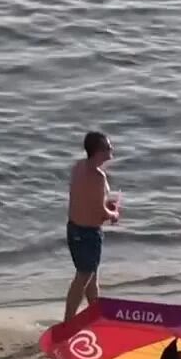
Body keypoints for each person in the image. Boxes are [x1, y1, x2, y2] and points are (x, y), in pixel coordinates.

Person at [64, 131, 121, 322]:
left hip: (74, 229)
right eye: (107, 147)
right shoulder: (98, 176)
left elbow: (83, 199)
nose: (111, 150)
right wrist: (113, 214)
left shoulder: (79, 166)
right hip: (87, 233)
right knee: (83, 277)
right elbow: (100, 212)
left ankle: (95, 317)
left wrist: (105, 207)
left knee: (91, 277)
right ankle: (68, 323)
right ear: (97, 151)